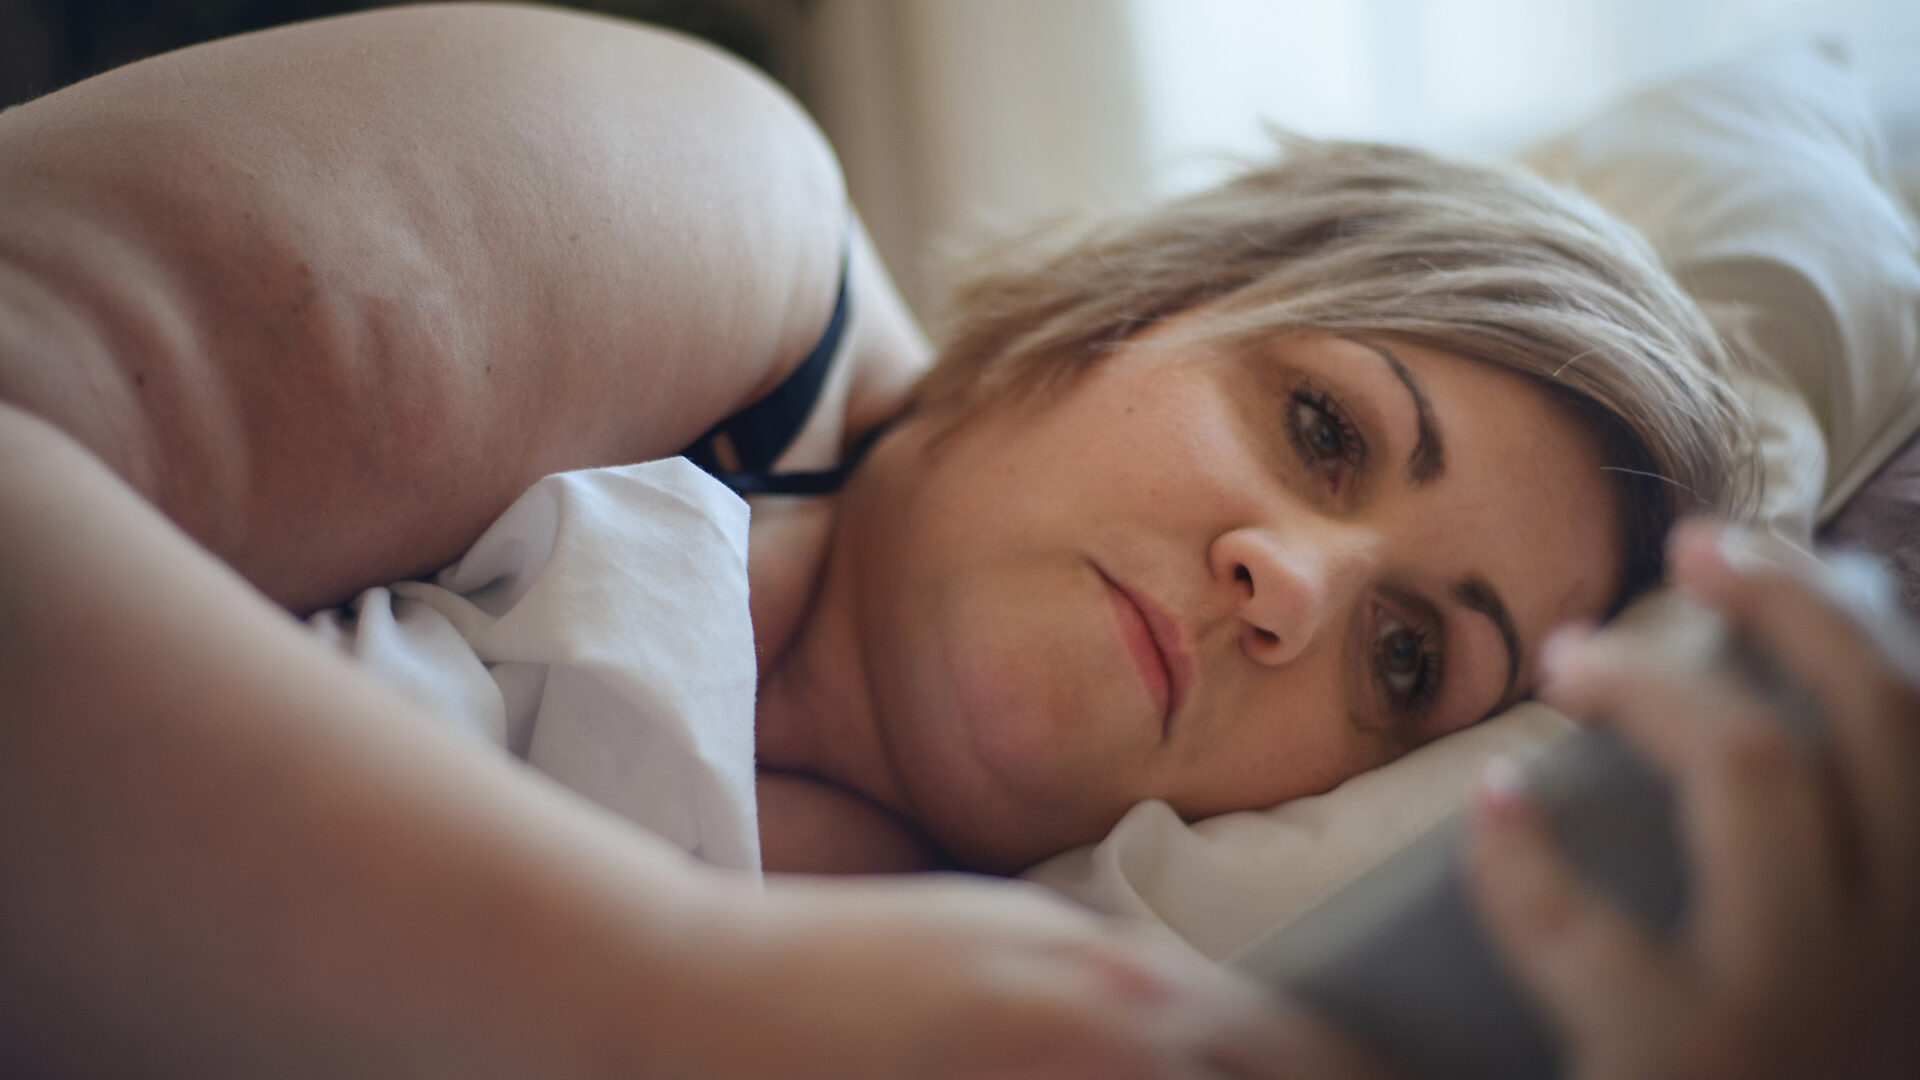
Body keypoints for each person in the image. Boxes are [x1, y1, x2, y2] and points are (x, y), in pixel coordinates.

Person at [0, 3, 1911, 1076]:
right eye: (1320, 424)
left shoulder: (1088, 1000)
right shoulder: (724, 233)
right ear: (1165, 292)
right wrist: (671, 998)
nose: (1294, 587)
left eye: (1409, 663)